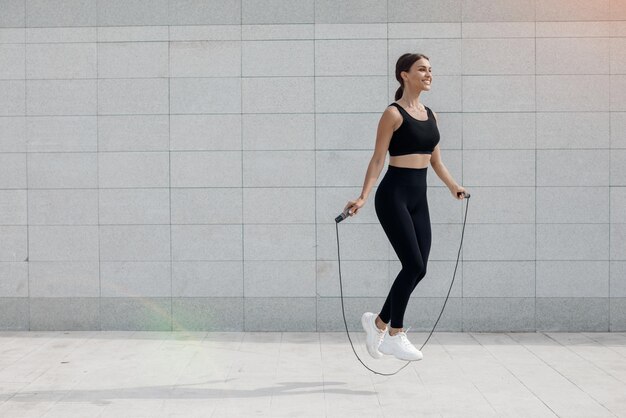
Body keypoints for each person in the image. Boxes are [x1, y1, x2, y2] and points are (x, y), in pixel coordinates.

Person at [345, 53, 467, 361]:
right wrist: (362, 196)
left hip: (418, 197)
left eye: (430, 70)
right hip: (393, 196)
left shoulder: (431, 115)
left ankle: (377, 323)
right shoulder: (393, 114)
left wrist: (454, 186)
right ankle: (395, 334)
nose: (428, 74)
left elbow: (436, 160)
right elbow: (377, 159)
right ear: (404, 75)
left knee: (419, 268)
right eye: (421, 69)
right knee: (412, 265)